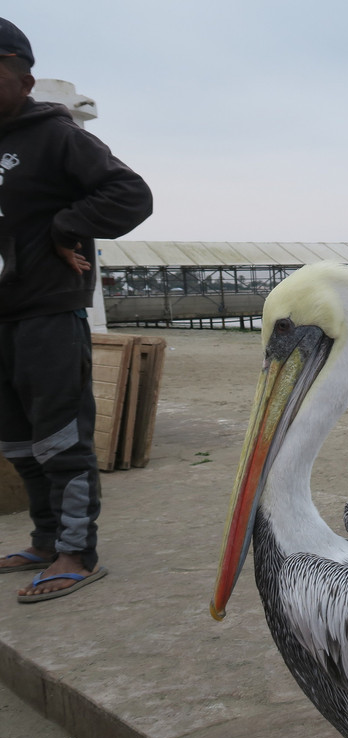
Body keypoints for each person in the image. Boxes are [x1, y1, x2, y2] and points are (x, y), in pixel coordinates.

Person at [0, 19, 153, 602]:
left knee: (61, 438)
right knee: (17, 441)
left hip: (49, 312)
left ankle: (75, 552)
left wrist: (66, 227)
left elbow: (130, 194)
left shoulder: (58, 137)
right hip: (3, 316)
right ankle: (42, 540)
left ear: (24, 79)